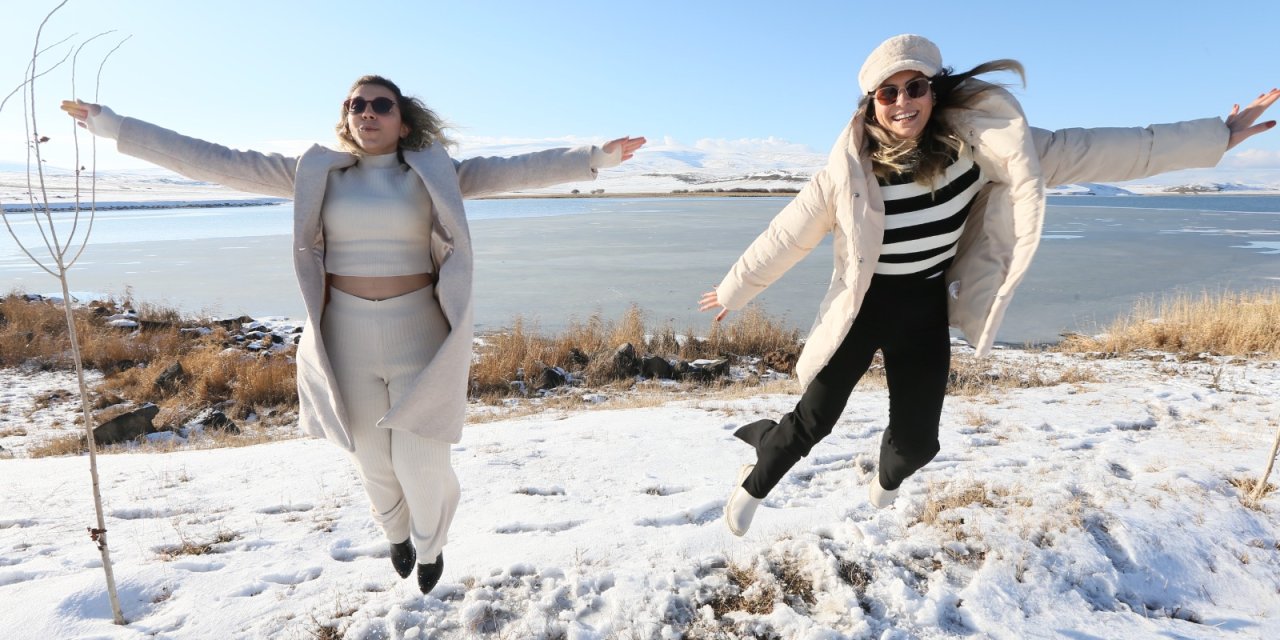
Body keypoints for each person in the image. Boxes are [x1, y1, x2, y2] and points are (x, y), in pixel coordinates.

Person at [62, 75, 646, 591]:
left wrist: (595, 156)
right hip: (344, 334)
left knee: (423, 461)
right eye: (356, 104)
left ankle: (431, 544)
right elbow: (212, 159)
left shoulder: (434, 171)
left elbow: (515, 169)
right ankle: (395, 532)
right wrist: (116, 128)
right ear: (345, 117)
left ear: (402, 120)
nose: (367, 112)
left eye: (380, 104)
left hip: (419, 328)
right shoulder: (314, 173)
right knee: (372, 459)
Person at [699, 34, 1278, 536]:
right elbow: (788, 233)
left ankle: (887, 472)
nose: (903, 102)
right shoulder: (849, 170)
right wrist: (734, 288)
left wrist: (1215, 138)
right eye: (888, 92)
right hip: (865, 306)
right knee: (813, 420)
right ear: (872, 102)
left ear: (936, 89)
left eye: (915, 87)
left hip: (925, 305)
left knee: (919, 443)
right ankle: (753, 483)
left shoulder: (984, 146)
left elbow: (1103, 148)